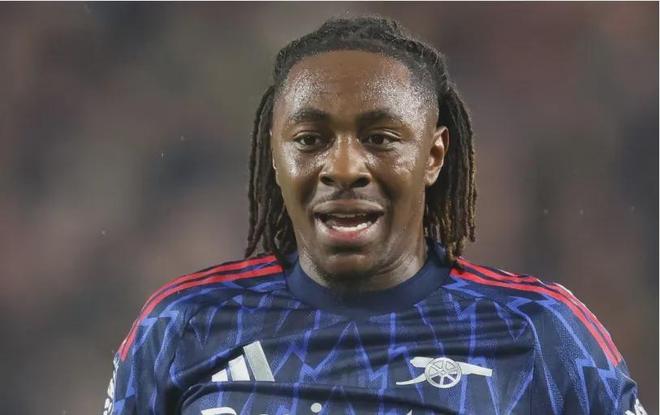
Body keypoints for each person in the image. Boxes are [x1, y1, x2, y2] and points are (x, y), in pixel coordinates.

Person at [103, 16, 645, 415]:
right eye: (310, 139)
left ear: (433, 156)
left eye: (381, 138)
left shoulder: (540, 331)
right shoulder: (182, 327)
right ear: (274, 154)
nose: (344, 168)